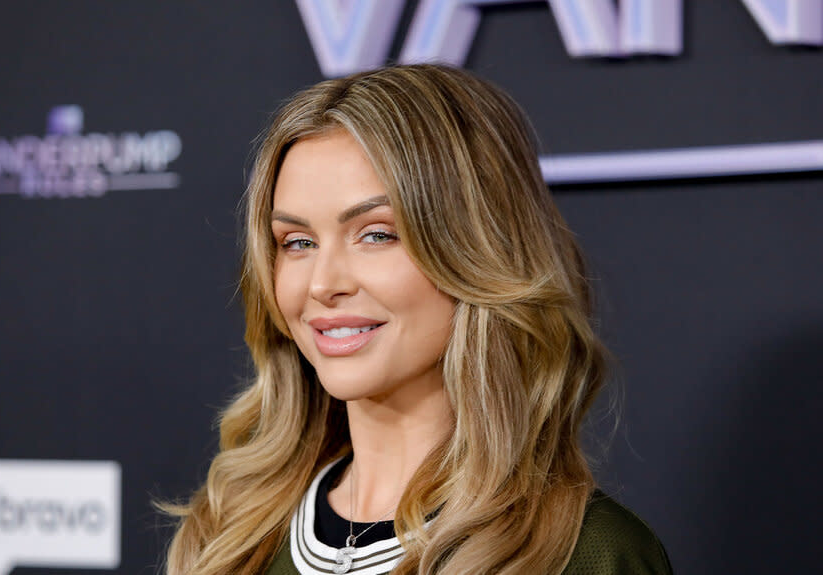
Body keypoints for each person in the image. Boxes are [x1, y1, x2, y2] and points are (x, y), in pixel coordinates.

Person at [162, 64, 673, 575]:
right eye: (298, 243)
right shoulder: (226, 534)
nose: (322, 284)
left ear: (477, 250)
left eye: (377, 234)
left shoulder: (586, 555)